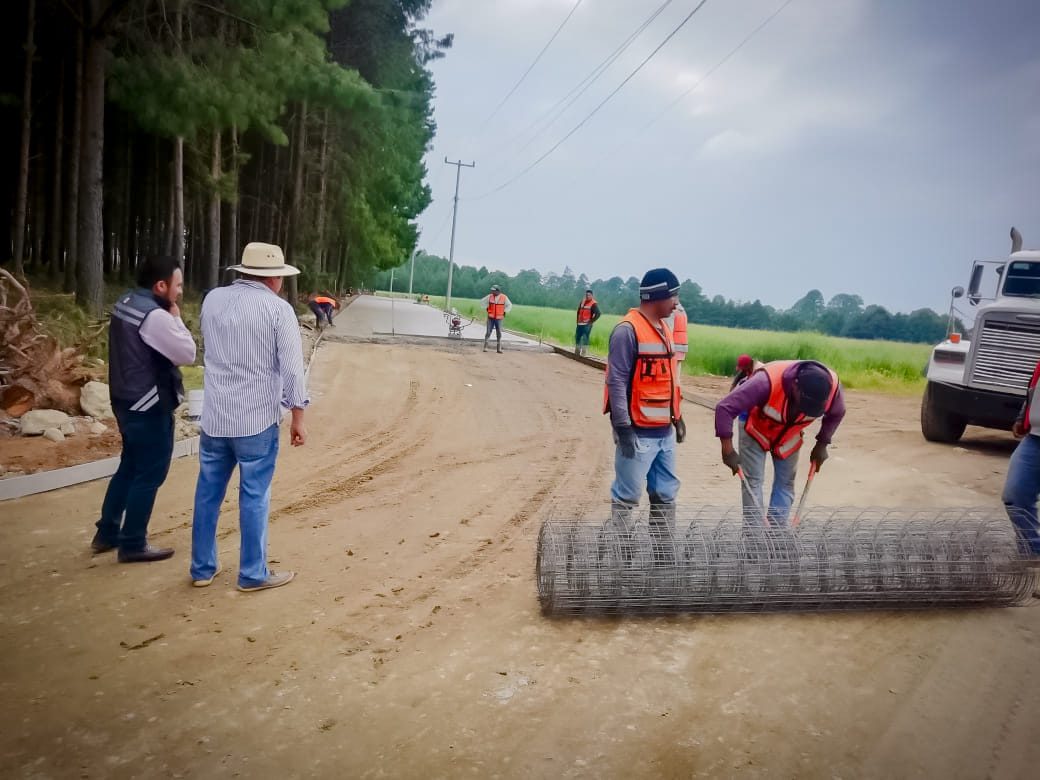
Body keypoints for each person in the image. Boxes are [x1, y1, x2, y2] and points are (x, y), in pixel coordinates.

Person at [189, 242, 309, 592]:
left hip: (215, 417)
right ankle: (252, 573)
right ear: (274, 279)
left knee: (208, 492)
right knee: (254, 495)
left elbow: (208, 349)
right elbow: (291, 368)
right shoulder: (278, 310)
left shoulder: (212, 299)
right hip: (255, 419)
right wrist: (298, 414)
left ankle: (201, 568)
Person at [91, 256, 197, 562]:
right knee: (150, 473)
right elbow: (187, 353)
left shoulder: (126, 301)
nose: (179, 291)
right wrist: (175, 316)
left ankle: (107, 532)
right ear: (160, 285)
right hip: (149, 403)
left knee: (129, 467)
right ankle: (133, 542)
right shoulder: (156, 316)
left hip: (124, 399)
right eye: (176, 285)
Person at [604, 268, 687, 559]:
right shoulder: (627, 331)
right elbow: (616, 381)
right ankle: (620, 558)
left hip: (663, 432)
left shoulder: (664, 328)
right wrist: (623, 428)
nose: (676, 303)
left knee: (665, 494)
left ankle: (663, 557)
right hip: (637, 432)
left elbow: (666, 378)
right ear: (659, 295)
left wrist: (676, 417)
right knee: (627, 497)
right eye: (674, 295)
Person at [715, 360, 845, 525]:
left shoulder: (833, 390)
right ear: (795, 386)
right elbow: (724, 408)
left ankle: (778, 535)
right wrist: (727, 450)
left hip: (789, 436)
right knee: (753, 482)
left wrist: (822, 444)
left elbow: (837, 413)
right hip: (756, 429)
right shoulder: (765, 382)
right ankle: (755, 540)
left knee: (786, 483)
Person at [1002, 360, 1040, 559]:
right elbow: (1035, 389)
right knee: (1015, 496)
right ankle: (1033, 555)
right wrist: (1021, 417)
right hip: (1035, 438)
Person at [479, 284, 512, 353]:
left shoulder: (504, 297)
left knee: (499, 333)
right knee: (488, 332)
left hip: (499, 318)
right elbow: (482, 302)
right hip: (490, 317)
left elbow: (509, 305)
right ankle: (485, 347)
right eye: (492, 291)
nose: (492, 292)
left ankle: (498, 348)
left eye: (494, 291)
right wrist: (487, 308)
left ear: (498, 291)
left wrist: (505, 311)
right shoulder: (489, 296)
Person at [665, 301, 688, 387]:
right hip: (683, 343)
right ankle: (677, 389)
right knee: (677, 371)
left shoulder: (672, 312)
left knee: (672, 371)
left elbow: (668, 329)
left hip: (674, 342)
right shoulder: (682, 311)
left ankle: (673, 390)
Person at [574, 288, 601, 356]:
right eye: (586, 295)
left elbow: (598, 313)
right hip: (580, 323)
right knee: (577, 337)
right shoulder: (582, 302)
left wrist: (591, 321)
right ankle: (577, 352)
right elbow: (578, 311)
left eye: (589, 295)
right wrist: (577, 321)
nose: (587, 296)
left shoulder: (593, 304)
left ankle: (583, 353)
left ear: (592, 296)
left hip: (587, 324)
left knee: (585, 337)